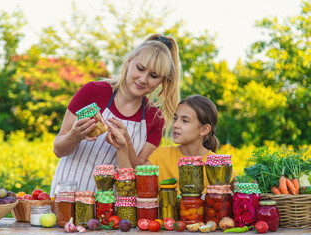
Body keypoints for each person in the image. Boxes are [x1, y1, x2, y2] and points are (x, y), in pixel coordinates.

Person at [50, 34, 181, 196]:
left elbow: (139, 175)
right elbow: (58, 150)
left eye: (153, 76)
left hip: (111, 207)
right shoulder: (94, 92)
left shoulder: (155, 119)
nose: (143, 79)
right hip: (68, 195)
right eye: (140, 68)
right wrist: (75, 135)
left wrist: (126, 144)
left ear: (162, 81)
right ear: (129, 61)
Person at [144, 95, 237, 193]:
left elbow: (239, 196)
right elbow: (136, 183)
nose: (175, 125)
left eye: (185, 121)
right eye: (175, 118)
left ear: (204, 129)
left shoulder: (218, 165)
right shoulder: (160, 156)